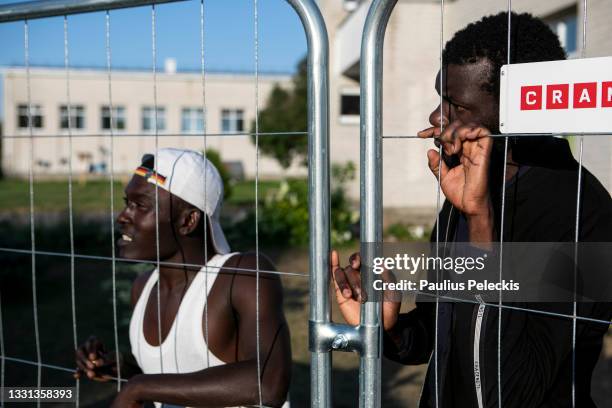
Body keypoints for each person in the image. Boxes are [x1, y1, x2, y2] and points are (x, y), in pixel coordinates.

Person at [331, 12, 612, 408]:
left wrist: (481, 224)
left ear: (516, 112)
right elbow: (438, 335)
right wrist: (388, 326)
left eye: (456, 105)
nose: (435, 117)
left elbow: (516, 390)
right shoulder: (467, 193)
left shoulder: (587, 215)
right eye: (438, 97)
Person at [75, 148, 291, 407]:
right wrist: (123, 369)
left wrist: (140, 387)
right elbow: (174, 378)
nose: (123, 217)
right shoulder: (143, 288)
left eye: (140, 205)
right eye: (127, 203)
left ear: (188, 220)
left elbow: (267, 382)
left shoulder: (240, 276)